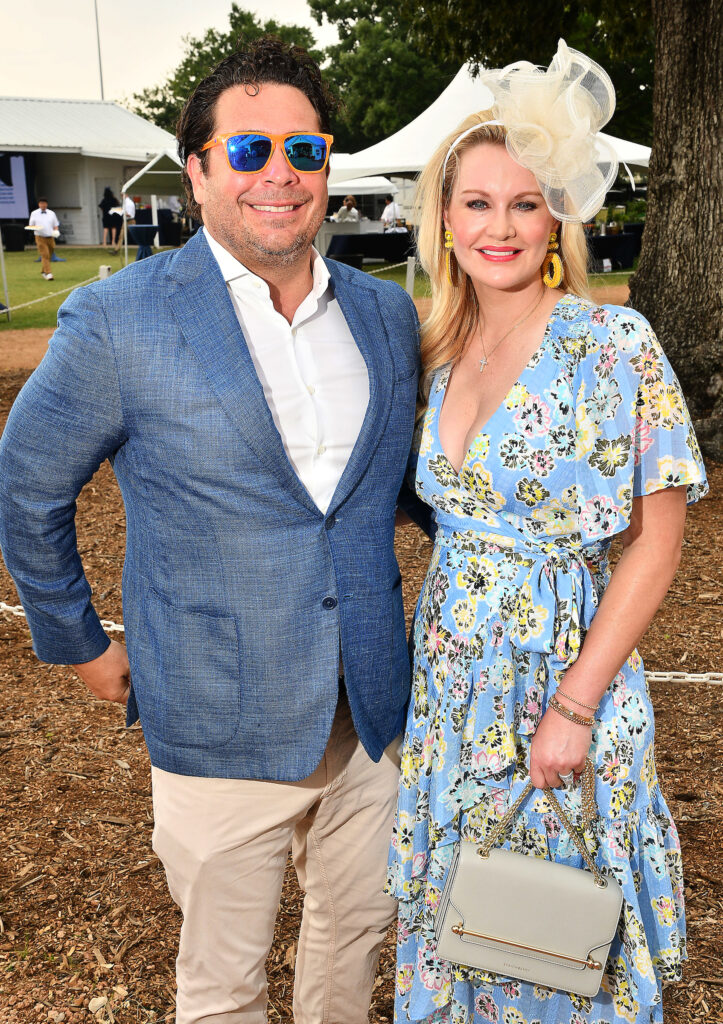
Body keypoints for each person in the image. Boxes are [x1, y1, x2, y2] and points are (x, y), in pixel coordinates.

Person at [0, 37, 420, 1024]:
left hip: (371, 715)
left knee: (351, 944)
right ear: (197, 172)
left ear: (326, 166)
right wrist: (84, 646)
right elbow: (25, 488)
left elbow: (396, 489)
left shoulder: (384, 316)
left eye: (304, 151)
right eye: (249, 151)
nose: (280, 173)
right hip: (216, 722)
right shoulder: (119, 318)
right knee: (223, 986)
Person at [386, 41, 707, 1024]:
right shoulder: (434, 344)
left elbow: (657, 544)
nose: (500, 226)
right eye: (477, 202)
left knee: (555, 943)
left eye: (525, 202)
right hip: (448, 685)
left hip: (563, 680)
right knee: (468, 925)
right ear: (444, 215)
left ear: (559, 215)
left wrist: (572, 707)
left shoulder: (613, 345)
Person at [28, 197, 60, 280]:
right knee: (44, 254)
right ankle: (49, 273)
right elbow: (31, 225)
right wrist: (37, 228)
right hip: (40, 237)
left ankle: (43, 271)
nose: (43, 205)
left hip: (50, 237)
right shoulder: (34, 213)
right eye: (41, 203)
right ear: (39, 204)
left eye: (44, 203)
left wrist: (56, 231)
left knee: (49, 254)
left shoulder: (51, 213)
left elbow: (55, 224)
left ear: (47, 204)